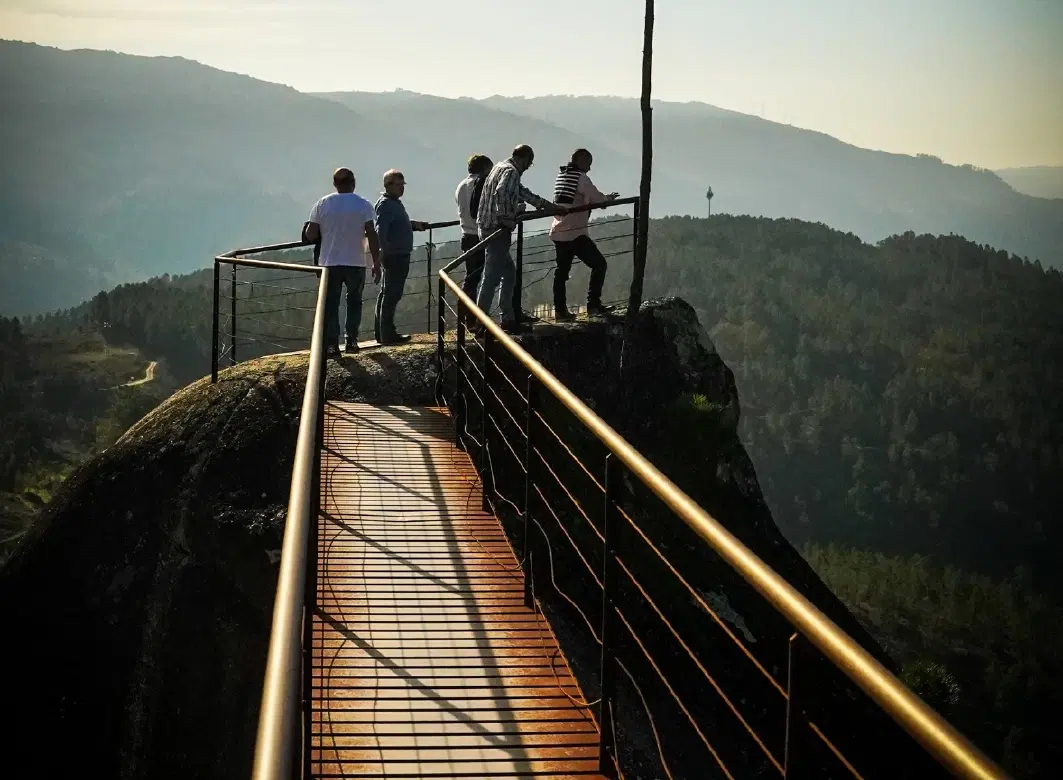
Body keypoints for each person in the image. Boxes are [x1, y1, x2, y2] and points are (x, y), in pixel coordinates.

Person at [475, 145, 567, 334]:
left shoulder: (500, 167)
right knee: (491, 276)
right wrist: (506, 218)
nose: (528, 167)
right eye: (529, 163)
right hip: (497, 229)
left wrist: (547, 206)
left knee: (508, 273)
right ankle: (481, 321)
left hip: (485, 225)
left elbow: (521, 192)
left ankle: (507, 317)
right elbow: (501, 192)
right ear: (524, 159)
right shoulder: (511, 171)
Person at [304, 167, 380, 359]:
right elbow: (372, 234)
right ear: (353, 183)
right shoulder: (363, 205)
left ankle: (332, 345)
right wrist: (376, 262)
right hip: (356, 261)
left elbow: (310, 234)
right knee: (354, 301)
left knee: (331, 304)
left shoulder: (322, 204)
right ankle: (352, 341)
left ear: (335, 184)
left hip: (329, 262)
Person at [549, 148, 618, 319]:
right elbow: (596, 198)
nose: (589, 168)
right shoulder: (580, 178)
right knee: (599, 264)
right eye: (588, 163)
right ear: (581, 161)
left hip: (558, 231)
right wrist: (607, 199)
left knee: (561, 273)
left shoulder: (562, 176)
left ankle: (560, 311)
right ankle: (593, 305)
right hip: (575, 233)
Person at [373, 169, 428, 345]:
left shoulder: (392, 202)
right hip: (394, 256)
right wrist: (383, 251)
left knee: (387, 293)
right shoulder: (387, 204)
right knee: (392, 294)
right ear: (388, 185)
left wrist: (413, 225)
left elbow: (396, 225)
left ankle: (382, 333)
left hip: (396, 254)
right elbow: (381, 230)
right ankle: (387, 334)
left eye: (402, 185)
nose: (401, 189)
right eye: (398, 185)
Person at [455, 154, 492, 310]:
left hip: (466, 235)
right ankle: (477, 314)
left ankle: (466, 313)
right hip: (481, 235)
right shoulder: (481, 185)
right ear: (484, 168)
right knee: (487, 276)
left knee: (471, 277)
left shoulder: (461, 185)